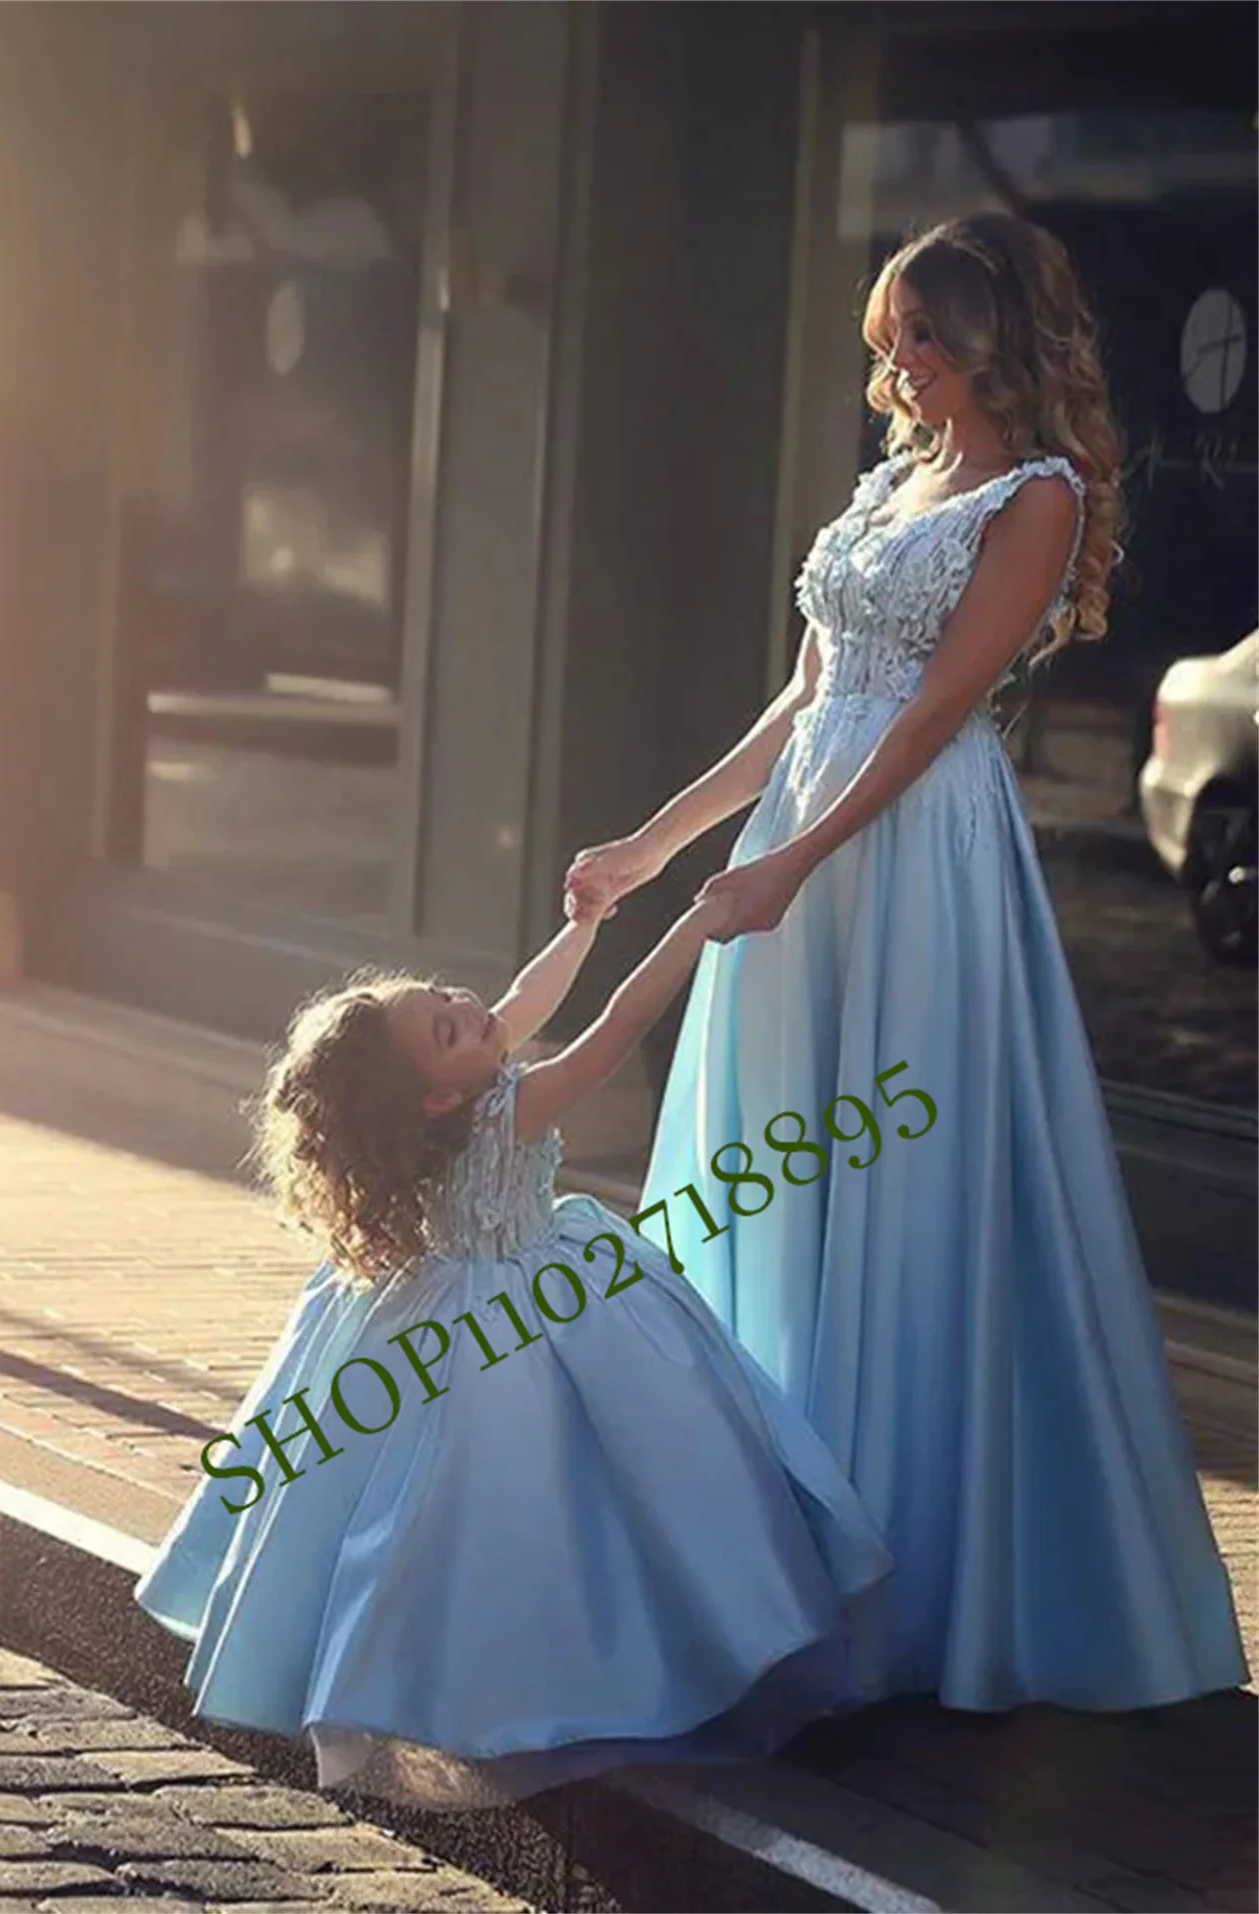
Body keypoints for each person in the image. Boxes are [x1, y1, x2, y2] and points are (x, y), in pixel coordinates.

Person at [566, 212, 1247, 1711]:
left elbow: (934, 711)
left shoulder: (1040, 495)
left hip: (914, 862)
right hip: (800, 844)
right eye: (892, 340)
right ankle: (765, 1552)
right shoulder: (893, 486)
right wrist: (655, 848)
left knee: (892, 1190)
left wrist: (797, 864)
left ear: (997, 337)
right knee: (778, 1180)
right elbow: (801, 704)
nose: (902, 366)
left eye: (927, 338)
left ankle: (923, 1584)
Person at [135, 888, 891, 1809]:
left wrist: (585, 925)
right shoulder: (518, 1101)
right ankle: (589, 1675)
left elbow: (521, 1003)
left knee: (406, 1497)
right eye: (447, 1029)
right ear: (442, 1093)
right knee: (571, 1492)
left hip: (438, 1307)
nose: (467, 1010)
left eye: (445, 999)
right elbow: (620, 1023)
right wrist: (693, 930)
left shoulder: (454, 1095)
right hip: (534, 1311)